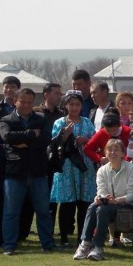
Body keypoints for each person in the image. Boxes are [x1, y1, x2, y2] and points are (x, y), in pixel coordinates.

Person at [0, 88, 56, 255]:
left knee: (44, 211)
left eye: (29, 102)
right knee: (11, 212)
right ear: (15, 101)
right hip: (15, 173)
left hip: (38, 171)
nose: (26, 105)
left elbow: (46, 140)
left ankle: (48, 243)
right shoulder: (6, 120)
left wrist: (22, 142)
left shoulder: (41, 119)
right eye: (22, 101)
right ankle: (9, 245)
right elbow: (7, 137)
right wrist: (31, 134)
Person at [74, 139, 133, 261]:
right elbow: (101, 190)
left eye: (116, 150)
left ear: (122, 153)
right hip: (108, 205)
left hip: (127, 205)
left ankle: (98, 248)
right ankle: (85, 244)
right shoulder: (102, 170)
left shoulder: (132, 169)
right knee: (93, 206)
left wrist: (117, 200)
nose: (113, 153)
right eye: (110, 150)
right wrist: (101, 198)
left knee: (102, 209)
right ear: (105, 153)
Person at [51, 91, 97, 248]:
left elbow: (95, 142)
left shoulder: (87, 122)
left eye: (77, 104)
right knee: (67, 204)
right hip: (66, 166)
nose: (74, 107)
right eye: (71, 104)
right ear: (65, 105)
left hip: (84, 167)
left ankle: (82, 237)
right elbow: (54, 143)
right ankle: (64, 237)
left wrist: (86, 140)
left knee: (84, 204)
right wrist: (65, 136)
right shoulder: (59, 122)